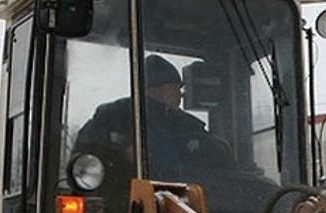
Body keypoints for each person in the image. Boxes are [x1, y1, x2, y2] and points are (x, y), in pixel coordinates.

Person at [74, 54, 231, 181]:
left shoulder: (190, 126)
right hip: (122, 206)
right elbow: (83, 168)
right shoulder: (111, 118)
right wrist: (122, 158)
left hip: (183, 205)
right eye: (176, 87)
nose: (181, 94)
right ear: (156, 89)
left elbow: (219, 163)